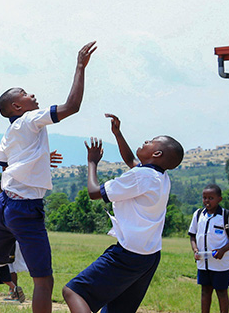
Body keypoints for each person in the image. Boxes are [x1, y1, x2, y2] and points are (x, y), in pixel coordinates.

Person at [0, 41, 97, 313]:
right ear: (17, 106)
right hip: (25, 207)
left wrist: (40, 159)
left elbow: (5, 165)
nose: (32, 95)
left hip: (5, 203)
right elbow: (72, 106)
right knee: (43, 278)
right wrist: (79, 66)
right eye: (25, 94)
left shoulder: (9, 133)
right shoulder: (32, 119)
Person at [62, 114, 184, 313]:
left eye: (151, 141)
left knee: (74, 292)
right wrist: (118, 134)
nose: (146, 141)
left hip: (128, 254)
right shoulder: (160, 176)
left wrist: (92, 162)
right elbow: (130, 160)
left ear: (157, 154)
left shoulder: (142, 176)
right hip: (149, 255)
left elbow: (94, 193)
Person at [188, 183, 229, 313]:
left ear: (219, 199)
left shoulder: (228, 217)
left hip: (220, 263)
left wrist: (222, 250)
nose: (207, 201)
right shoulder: (198, 215)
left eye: (211, 198)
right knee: (205, 291)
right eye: (204, 198)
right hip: (203, 262)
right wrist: (195, 250)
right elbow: (192, 236)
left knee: (221, 291)